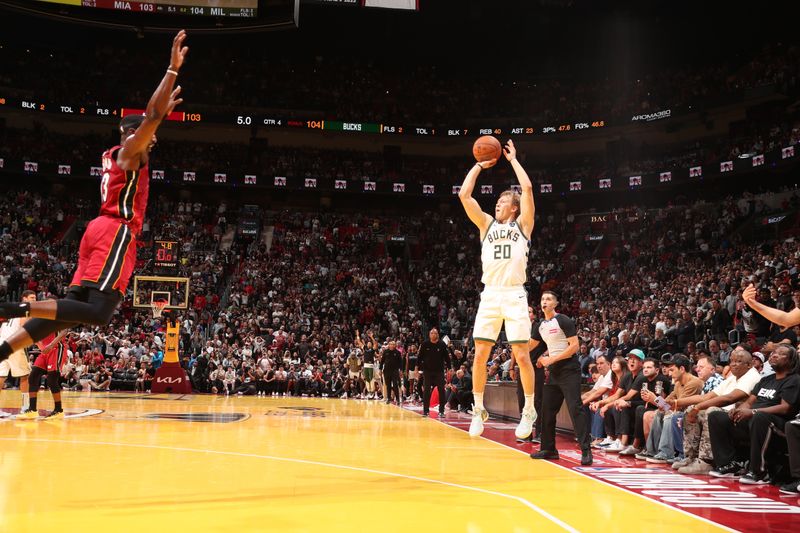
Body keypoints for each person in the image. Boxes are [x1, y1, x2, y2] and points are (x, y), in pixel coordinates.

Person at [0, 30, 189, 362]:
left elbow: (153, 121)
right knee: (100, 313)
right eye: (149, 134)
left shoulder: (116, 154)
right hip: (115, 230)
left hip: (97, 230)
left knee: (70, 314)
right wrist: (172, 70)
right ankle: (14, 307)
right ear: (134, 132)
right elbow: (153, 115)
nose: (155, 139)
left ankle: (2, 351)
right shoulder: (131, 150)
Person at [458, 139, 537, 439]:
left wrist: (513, 159)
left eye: (503, 202)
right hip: (490, 293)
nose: (497, 204)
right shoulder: (486, 225)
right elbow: (465, 195)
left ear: (514, 208)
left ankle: (529, 409)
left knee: (521, 355)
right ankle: (478, 409)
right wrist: (479, 165)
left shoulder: (523, 226)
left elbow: (527, 189)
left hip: (515, 293)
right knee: (480, 354)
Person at [708, 344, 800, 483]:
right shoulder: (766, 380)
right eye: (774, 352)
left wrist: (753, 411)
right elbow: (749, 402)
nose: (774, 355)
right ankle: (729, 465)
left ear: (791, 361)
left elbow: (785, 408)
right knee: (716, 416)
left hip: (777, 427)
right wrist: (739, 410)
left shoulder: (794, 380)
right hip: (754, 420)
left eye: (781, 354)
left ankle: (760, 472)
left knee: (760, 417)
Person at [529, 291, 593, 466]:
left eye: (549, 299)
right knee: (547, 410)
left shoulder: (563, 320)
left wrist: (550, 359)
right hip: (554, 373)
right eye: (542, 299)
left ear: (555, 303)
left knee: (575, 408)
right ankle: (549, 449)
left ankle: (586, 450)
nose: (545, 302)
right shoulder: (540, 325)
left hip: (569, 370)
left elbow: (574, 347)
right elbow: (529, 347)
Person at [18, 330, 69, 419]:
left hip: (57, 348)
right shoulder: (39, 320)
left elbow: (65, 331)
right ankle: (32, 410)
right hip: (45, 350)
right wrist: (38, 343)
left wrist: (51, 344)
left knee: (51, 380)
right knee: (33, 377)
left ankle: (58, 410)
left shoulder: (56, 317)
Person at [0, 290, 36, 417]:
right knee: (25, 376)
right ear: (24, 298)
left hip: (2, 343)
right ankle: (25, 407)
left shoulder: (12, 310)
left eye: (35, 297)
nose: (34, 300)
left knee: (1, 376)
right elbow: (23, 327)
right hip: (15, 344)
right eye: (32, 297)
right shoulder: (25, 310)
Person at [416, 328, 450, 418]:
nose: (433, 334)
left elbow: (447, 357)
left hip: (439, 371)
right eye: (432, 333)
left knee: (441, 390)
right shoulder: (425, 344)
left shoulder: (442, 344)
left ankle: (441, 411)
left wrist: (450, 368)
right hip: (427, 371)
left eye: (435, 333)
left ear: (437, 334)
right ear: (429, 335)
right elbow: (420, 357)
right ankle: (425, 411)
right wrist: (417, 368)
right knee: (426, 390)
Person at [381, 340, 403, 405]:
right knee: (388, 385)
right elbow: (382, 361)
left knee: (395, 385)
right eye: (390, 344)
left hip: (395, 371)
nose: (392, 345)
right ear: (389, 345)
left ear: (395, 345)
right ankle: (388, 398)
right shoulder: (385, 352)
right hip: (386, 371)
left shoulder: (398, 352)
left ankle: (398, 399)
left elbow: (400, 362)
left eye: (393, 344)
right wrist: (380, 369)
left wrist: (401, 370)